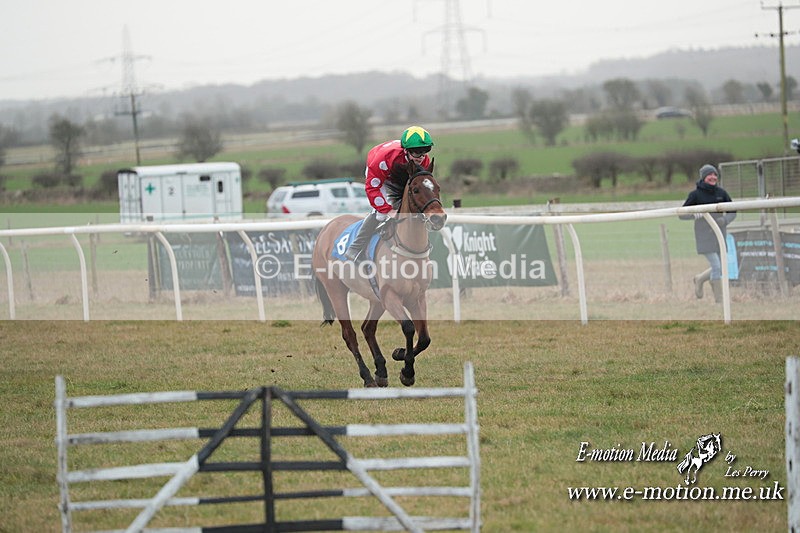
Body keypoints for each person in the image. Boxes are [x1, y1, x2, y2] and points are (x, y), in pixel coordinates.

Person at [344, 126, 434, 262]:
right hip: (383, 174)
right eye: (416, 152)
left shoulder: (424, 160)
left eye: (425, 151)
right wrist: (388, 210)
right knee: (381, 213)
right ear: (406, 150)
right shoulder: (384, 158)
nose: (421, 156)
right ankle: (355, 248)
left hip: (401, 172)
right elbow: (372, 188)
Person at [680, 164, 737, 303]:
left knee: (722, 266)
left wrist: (725, 219)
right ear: (704, 177)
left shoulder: (722, 193)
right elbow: (681, 214)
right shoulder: (695, 195)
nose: (713, 177)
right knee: (717, 266)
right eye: (710, 175)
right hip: (704, 236)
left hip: (719, 235)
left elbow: (733, 210)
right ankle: (720, 301)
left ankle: (699, 279)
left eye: (715, 175)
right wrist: (694, 215)